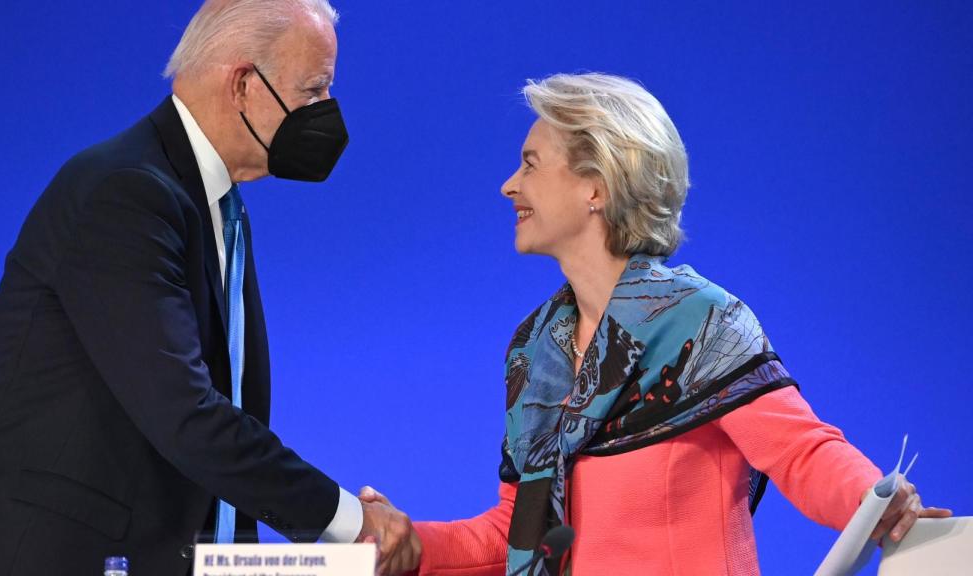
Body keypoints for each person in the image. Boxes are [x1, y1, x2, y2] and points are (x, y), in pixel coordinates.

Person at [360, 73, 951, 575]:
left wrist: (876, 502)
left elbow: (803, 451)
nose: (509, 184)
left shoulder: (704, 321)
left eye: (531, 164)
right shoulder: (532, 350)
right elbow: (513, 535)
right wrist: (406, 543)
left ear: (596, 184)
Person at [0, 1, 418, 574]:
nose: (326, 112)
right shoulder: (126, 195)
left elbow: (215, 437)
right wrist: (351, 523)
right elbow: (188, 417)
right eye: (314, 90)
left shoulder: (215, 206)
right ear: (243, 84)